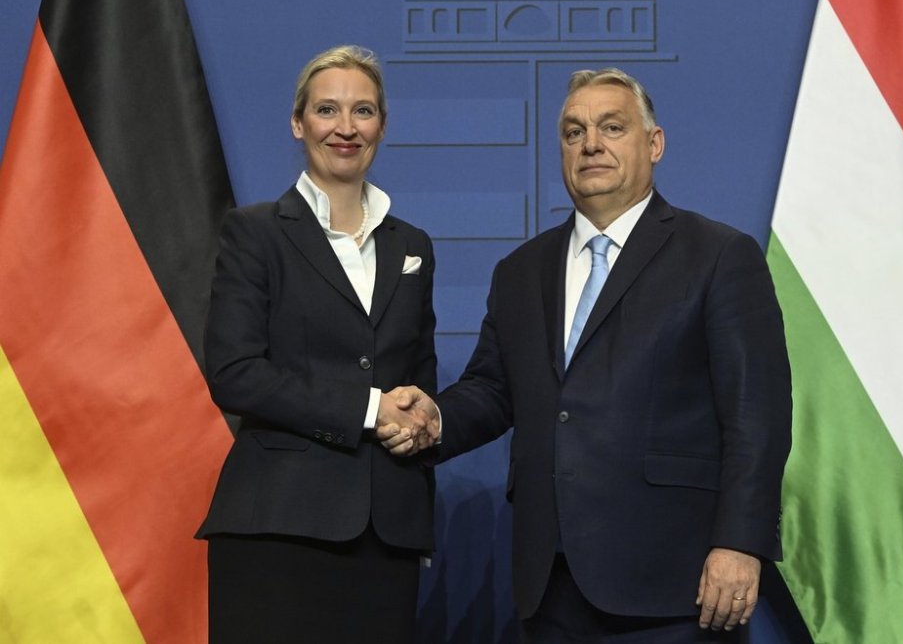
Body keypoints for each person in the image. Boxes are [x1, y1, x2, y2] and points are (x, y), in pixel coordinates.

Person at [380, 68, 792, 642]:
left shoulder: (719, 256)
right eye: (574, 132)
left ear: (655, 144)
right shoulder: (521, 271)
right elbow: (494, 389)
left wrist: (740, 543)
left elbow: (757, 416)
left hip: (675, 586)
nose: (591, 144)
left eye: (612, 127)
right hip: (550, 583)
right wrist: (436, 418)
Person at [196, 45, 440, 643]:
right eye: (327, 109)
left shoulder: (412, 245)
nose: (345, 127)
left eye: (363, 111)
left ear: (382, 125)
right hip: (278, 527)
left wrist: (422, 418)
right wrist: (369, 409)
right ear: (297, 123)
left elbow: (418, 377)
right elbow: (235, 372)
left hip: (386, 534)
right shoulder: (255, 232)